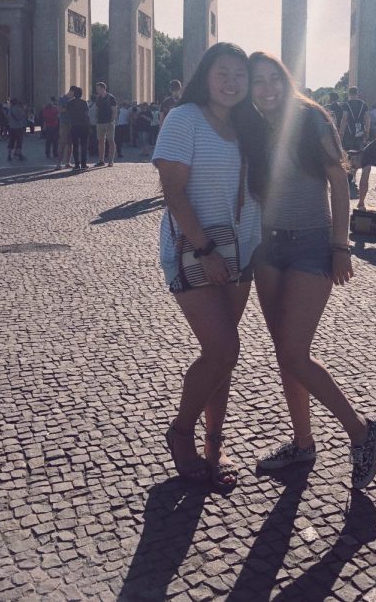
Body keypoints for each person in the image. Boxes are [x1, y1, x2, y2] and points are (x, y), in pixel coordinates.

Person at [249, 52, 376, 489]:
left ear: (285, 80)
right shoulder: (251, 127)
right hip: (268, 248)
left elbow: (339, 183)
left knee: (293, 352)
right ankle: (303, 443)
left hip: (310, 246)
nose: (266, 89)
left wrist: (340, 245)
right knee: (285, 353)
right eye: (257, 82)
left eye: (273, 79)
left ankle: (360, 432)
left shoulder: (312, 119)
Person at [152, 43, 263, 491]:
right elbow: (173, 192)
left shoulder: (248, 125)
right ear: (206, 73)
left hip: (244, 249)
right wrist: (205, 250)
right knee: (221, 350)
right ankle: (181, 434)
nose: (232, 81)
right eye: (224, 71)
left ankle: (214, 447)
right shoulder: (185, 119)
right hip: (197, 249)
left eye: (240, 74)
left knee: (226, 355)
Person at [94, 81, 117, 167]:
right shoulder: (98, 98)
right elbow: (97, 109)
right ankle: (101, 160)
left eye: (98, 88)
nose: (97, 90)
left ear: (103, 88)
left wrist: (112, 120)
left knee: (110, 141)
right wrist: (96, 119)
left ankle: (111, 160)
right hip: (100, 122)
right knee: (100, 141)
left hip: (109, 122)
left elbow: (114, 110)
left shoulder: (111, 98)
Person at [67, 87, 91, 170]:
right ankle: (84, 163)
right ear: (81, 94)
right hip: (84, 125)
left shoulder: (70, 103)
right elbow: (87, 114)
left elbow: (68, 113)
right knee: (84, 145)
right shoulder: (84, 102)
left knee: (75, 145)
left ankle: (77, 164)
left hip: (74, 125)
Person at [55, 87, 75, 170]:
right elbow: (59, 109)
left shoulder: (74, 99)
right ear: (71, 91)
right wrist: (68, 107)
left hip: (72, 123)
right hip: (64, 123)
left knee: (70, 143)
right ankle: (59, 163)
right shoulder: (62, 98)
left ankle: (67, 162)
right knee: (62, 143)